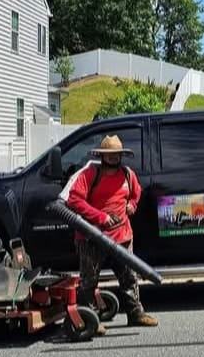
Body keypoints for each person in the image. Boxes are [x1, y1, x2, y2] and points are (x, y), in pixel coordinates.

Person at [62, 135, 159, 332]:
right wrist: (101, 217)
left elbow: (136, 193)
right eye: (110, 154)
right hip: (91, 237)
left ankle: (136, 314)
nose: (114, 158)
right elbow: (74, 200)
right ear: (102, 156)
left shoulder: (127, 174)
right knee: (89, 280)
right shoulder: (90, 174)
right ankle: (89, 319)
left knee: (129, 278)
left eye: (117, 154)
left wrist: (132, 205)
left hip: (122, 236)